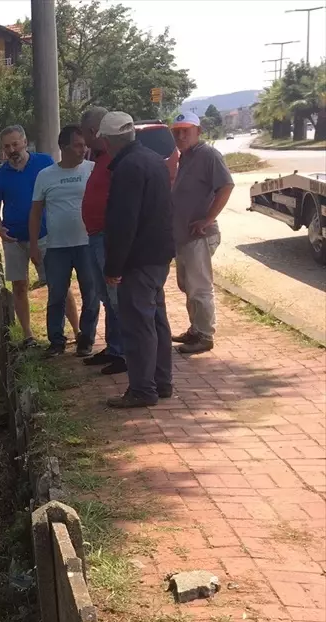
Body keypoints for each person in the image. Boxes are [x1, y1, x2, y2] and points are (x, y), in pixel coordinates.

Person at [100, 111, 177, 409]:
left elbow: (124, 222)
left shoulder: (128, 168)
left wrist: (114, 266)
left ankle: (143, 389)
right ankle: (161, 381)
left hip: (138, 259)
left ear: (108, 142)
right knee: (157, 321)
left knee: (138, 325)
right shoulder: (153, 160)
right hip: (158, 256)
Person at [0, 125, 78, 345]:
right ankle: (28, 335)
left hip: (45, 235)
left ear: (25, 142)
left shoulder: (44, 163)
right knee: (19, 286)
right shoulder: (0, 176)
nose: (12, 150)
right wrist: (0, 230)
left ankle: (77, 330)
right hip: (14, 240)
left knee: (58, 284)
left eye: (15, 144)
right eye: (7, 146)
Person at [28, 124, 99, 357]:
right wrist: (33, 245)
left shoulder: (92, 169)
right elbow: (36, 212)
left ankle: (86, 339)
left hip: (88, 244)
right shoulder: (45, 176)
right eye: (77, 145)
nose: (83, 149)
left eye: (84, 145)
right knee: (56, 294)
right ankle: (56, 341)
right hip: (56, 246)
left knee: (92, 292)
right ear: (63, 147)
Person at [169, 112, 234, 355]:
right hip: (184, 236)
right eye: (176, 131)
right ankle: (195, 329)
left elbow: (226, 186)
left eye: (186, 130)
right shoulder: (184, 157)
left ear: (199, 130)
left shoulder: (208, 155)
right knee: (187, 285)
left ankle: (205, 335)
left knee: (200, 287)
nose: (181, 135)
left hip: (200, 236)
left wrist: (208, 219)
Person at [78, 106, 126, 375]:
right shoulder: (99, 158)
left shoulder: (115, 158)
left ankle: (124, 352)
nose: (84, 140)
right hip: (95, 236)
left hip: (107, 237)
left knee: (116, 296)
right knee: (105, 296)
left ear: (94, 131)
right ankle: (113, 347)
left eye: (85, 133)